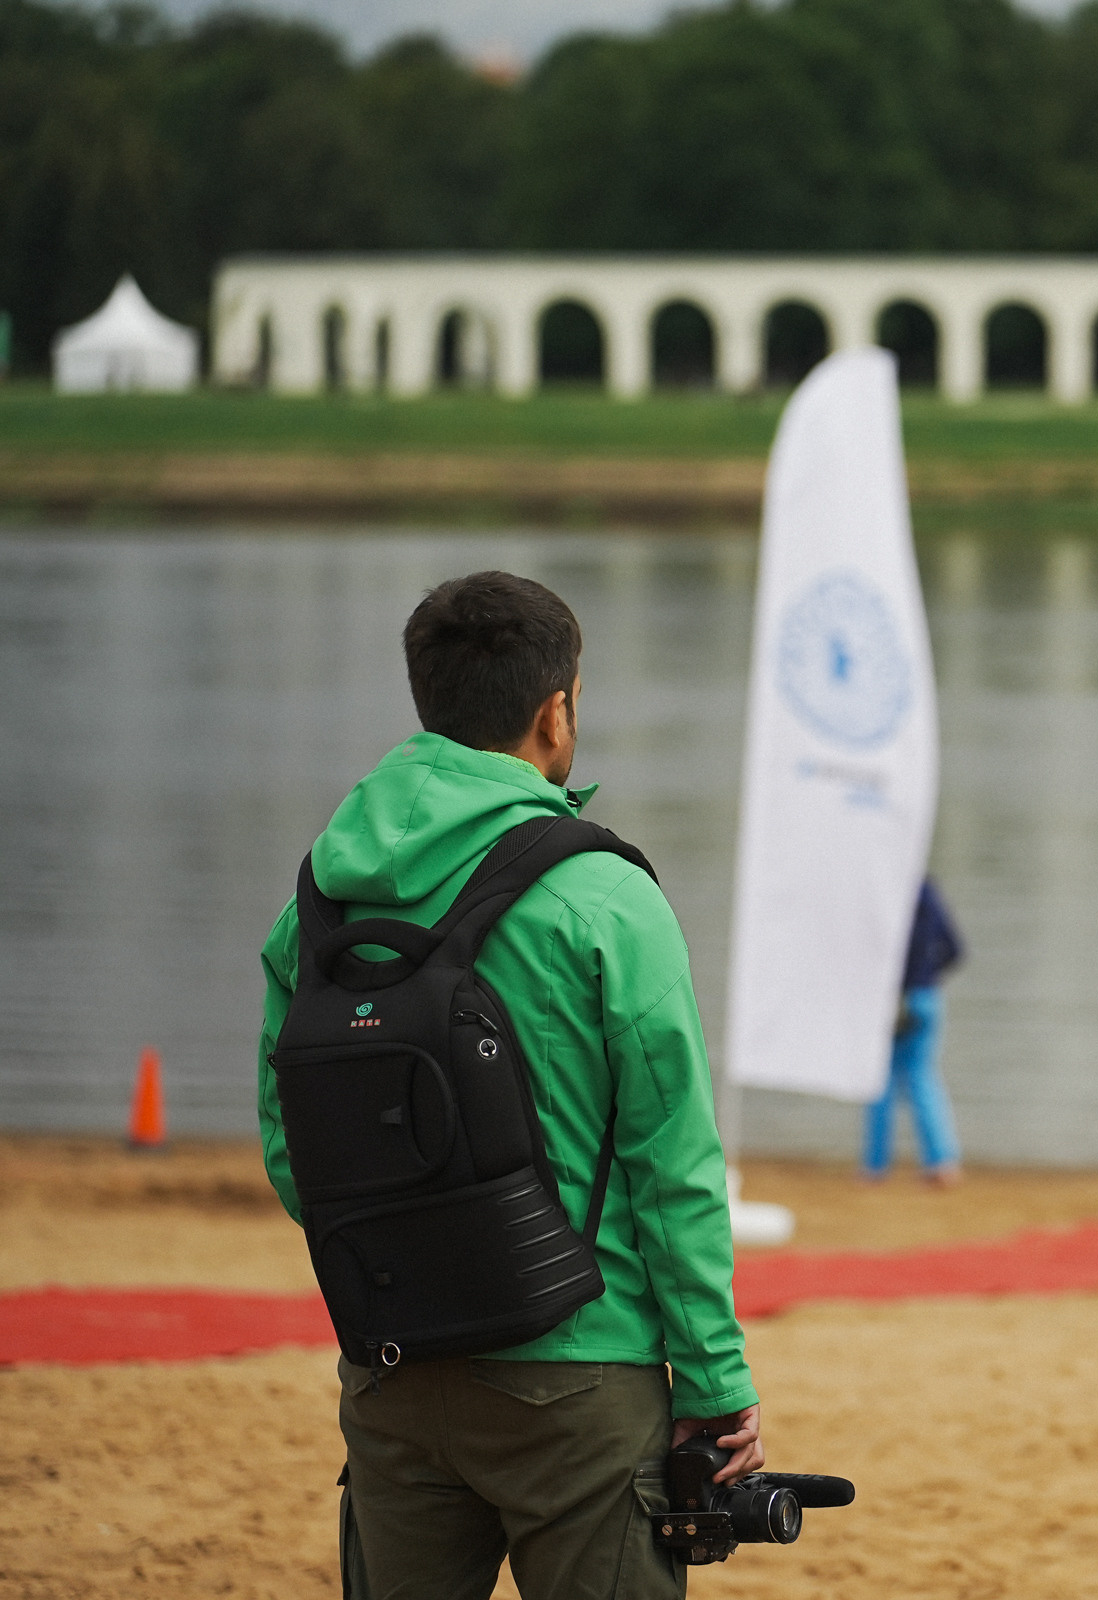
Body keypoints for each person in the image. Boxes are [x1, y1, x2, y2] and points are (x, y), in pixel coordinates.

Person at [255, 570, 759, 1600]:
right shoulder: (606, 895)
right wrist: (713, 1379)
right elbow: (675, 1167)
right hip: (583, 1370)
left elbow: (289, 1136)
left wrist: (403, 1259)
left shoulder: (320, 895)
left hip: (394, 1368)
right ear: (555, 711)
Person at [862, 878, 966, 1186]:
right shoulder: (927, 890)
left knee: (880, 1082)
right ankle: (942, 1162)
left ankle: (875, 1166)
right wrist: (927, 977)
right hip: (928, 997)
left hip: (891, 999)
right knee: (922, 1078)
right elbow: (955, 950)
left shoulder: (886, 889)